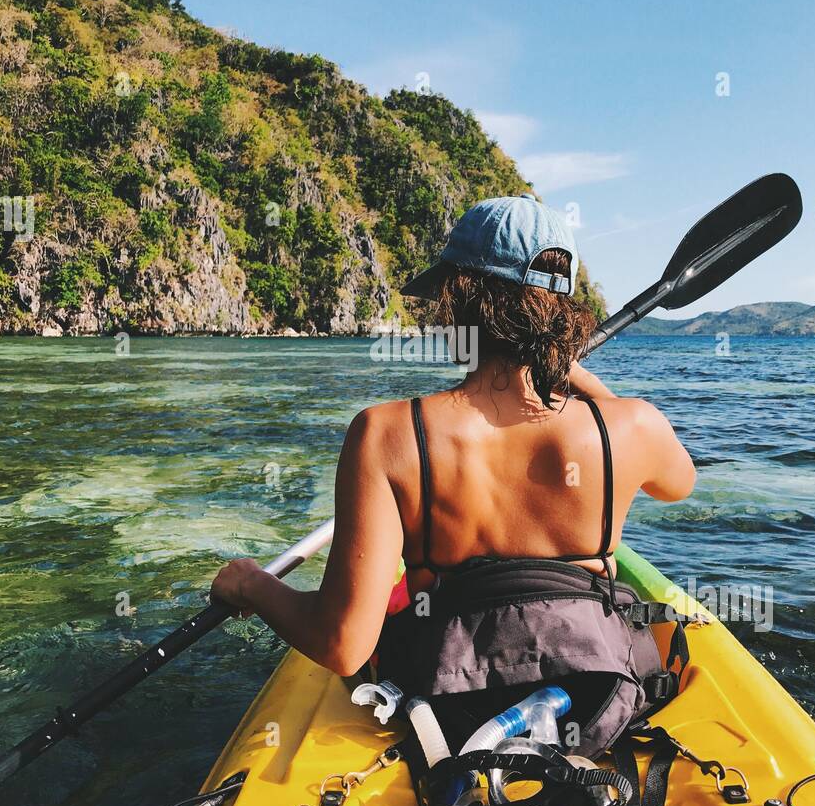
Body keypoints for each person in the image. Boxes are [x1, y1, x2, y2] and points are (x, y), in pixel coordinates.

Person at [212, 193, 696, 755]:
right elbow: (677, 483)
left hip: (450, 708)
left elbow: (343, 645)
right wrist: (570, 374)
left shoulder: (387, 435)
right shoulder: (633, 425)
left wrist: (251, 582)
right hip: (596, 697)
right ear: (565, 307)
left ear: (459, 300)